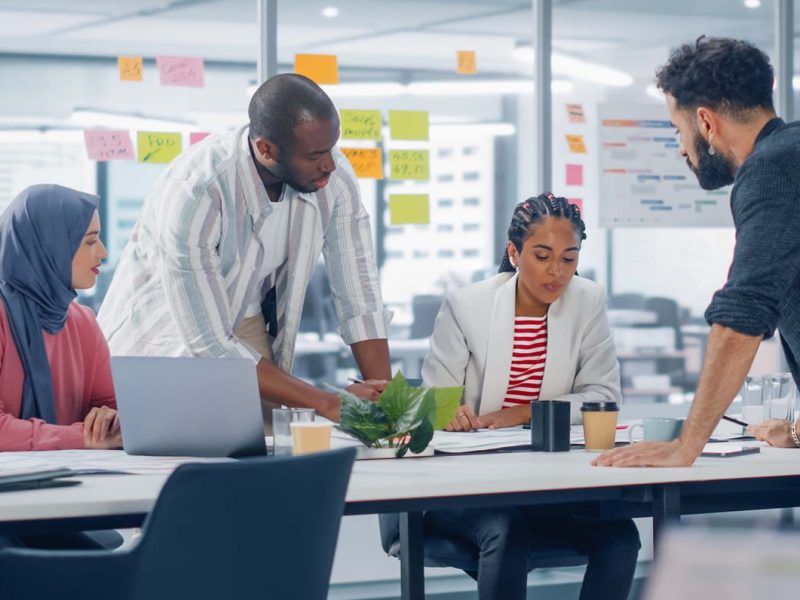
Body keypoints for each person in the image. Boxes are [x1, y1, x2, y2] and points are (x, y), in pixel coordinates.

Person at [98, 74, 391, 423]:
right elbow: (209, 341)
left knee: (266, 444)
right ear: (266, 149)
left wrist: (388, 399)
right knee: (172, 447)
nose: (329, 164)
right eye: (314, 155)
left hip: (245, 323)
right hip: (166, 332)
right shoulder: (197, 189)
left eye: (331, 148)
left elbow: (360, 297)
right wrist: (328, 402)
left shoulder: (334, 179)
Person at [421, 194, 640, 600]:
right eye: (542, 256)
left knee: (620, 535)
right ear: (514, 252)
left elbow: (603, 396)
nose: (556, 272)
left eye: (569, 259)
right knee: (505, 530)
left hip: (547, 481)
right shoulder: (467, 305)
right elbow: (436, 400)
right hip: (467, 487)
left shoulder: (587, 300)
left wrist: (521, 413)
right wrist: (451, 413)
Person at [596, 36, 800, 468]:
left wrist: (687, 444)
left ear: (705, 122)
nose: (681, 147)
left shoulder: (771, 171)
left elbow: (743, 313)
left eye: (678, 129)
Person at [0, 184, 120, 451]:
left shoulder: (83, 321)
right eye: (90, 241)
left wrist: (112, 422)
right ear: (47, 247)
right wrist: (83, 438)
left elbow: (113, 408)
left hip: (74, 480)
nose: (103, 252)